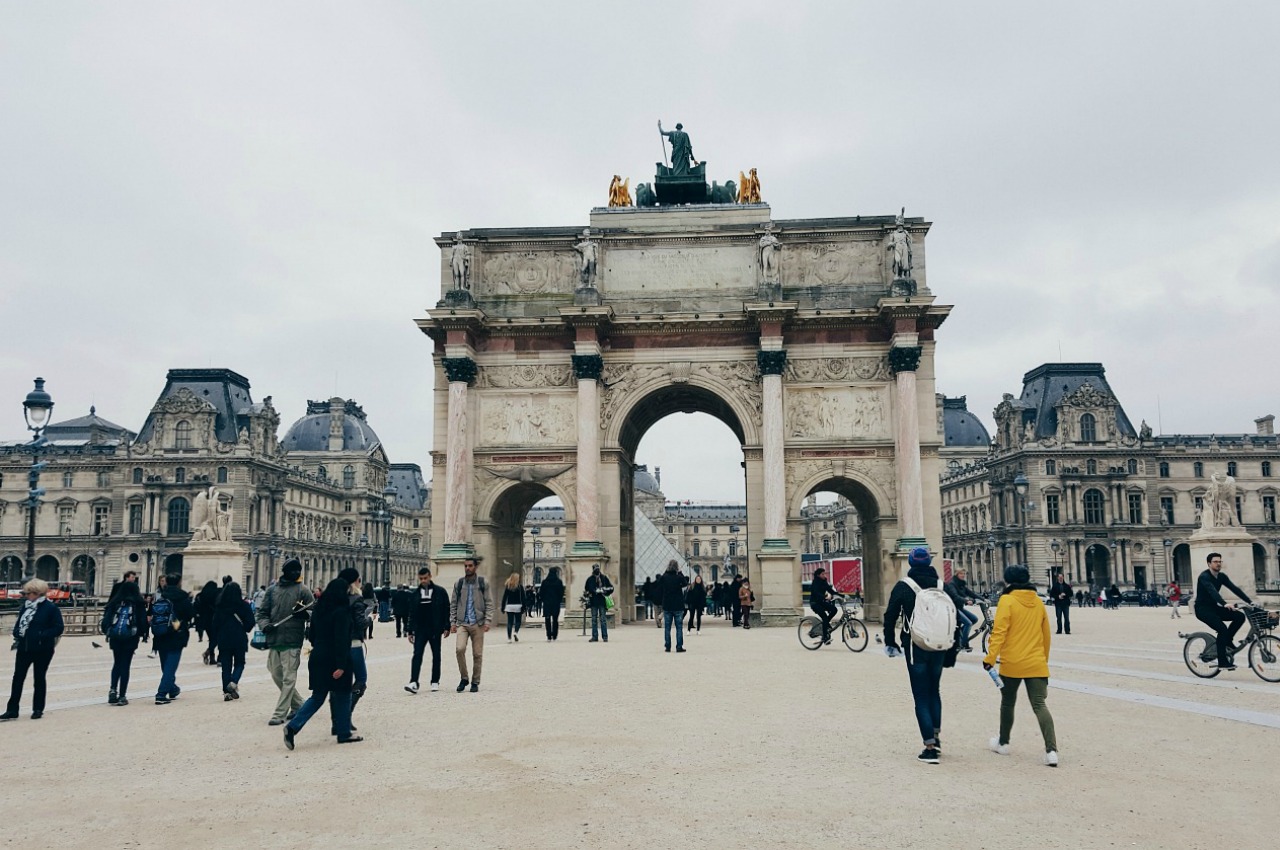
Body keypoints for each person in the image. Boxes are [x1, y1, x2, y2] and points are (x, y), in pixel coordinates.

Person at [882, 548, 955, 764]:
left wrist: (890, 642)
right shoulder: (943, 586)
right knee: (935, 690)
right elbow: (955, 616)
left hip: (916, 646)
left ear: (911, 563)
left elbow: (889, 616)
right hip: (940, 645)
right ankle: (936, 736)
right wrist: (952, 649)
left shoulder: (905, 586)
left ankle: (929, 747)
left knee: (921, 695)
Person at [984, 565, 1059, 767]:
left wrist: (990, 658)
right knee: (1040, 705)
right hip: (1036, 661)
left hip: (1012, 662)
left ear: (1008, 582)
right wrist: (1044, 659)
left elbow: (999, 632)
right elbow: (1046, 634)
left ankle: (1004, 743)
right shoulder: (1037, 601)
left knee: (1008, 703)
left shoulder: (1006, 600)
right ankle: (1051, 751)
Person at [283, 576, 361, 749]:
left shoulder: (319, 610)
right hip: (335, 658)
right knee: (342, 695)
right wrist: (341, 665)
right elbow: (342, 639)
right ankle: (343, 733)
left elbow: (311, 636)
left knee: (317, 697)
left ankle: (292, 726)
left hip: (318, 656)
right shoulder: (342, 611)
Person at [256, 558, 314, 726]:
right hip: (274, 638)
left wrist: (304, 615)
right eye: (293, 570)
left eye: (298, 570)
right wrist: (265, 625)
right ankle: (299, 705)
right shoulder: (272, 591)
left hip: (293, 639)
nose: (297, 573)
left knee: (289, 678)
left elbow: (314, 611)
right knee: (276, 674)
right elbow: (262, 613)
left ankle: (279, 714)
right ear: (285, 572)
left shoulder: (303, 590)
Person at [2, 579, 65, 721]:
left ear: (38, 593)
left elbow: (58, 628)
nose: (26, 595)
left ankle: (37, 708)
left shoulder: (51, 608)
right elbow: (20, 623)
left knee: (39, 678)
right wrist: (17, 632)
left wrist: (41, 635)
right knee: (17, 678)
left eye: (29, 593)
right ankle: (12, 709)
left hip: (43, 648)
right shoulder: (26, 607)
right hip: (24, 647)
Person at [1194, 552, 1252, 671]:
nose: (1218, 564)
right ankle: (1222, 662)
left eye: (1220, 561)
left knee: (1239, 616)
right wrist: (1225, 604)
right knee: (1222, 629)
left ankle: (1227, 641)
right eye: (1215, 562)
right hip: (1203, 609)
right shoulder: (1204, 577)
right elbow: (1212, 591)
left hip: (1214, 608)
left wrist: (1249, 601)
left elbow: (1234, 589)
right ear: (1209, 563)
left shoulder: (1221, 576)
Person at [101, 578, 148, 706]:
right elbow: (143, 622)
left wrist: (108, 632)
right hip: (130, 637)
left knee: (116, 663)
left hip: (115, 636)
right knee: (125, 665)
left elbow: (105, 621)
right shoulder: (138, 604)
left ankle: (112, 690)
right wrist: (143, 634)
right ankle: (122, 695)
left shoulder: (114, 602)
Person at [405, 567, 450, 693]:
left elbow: (446, 609)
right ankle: (414, 681)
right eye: (421, 579)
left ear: (430, 577)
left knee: (436, 655)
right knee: (417, 655)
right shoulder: (415, 594)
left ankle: (435, 680)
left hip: (435, 628)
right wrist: (409, 631)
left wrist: (446, 626)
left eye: (425, 578)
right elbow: (412, 613)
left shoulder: (440, 592)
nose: (423, 581)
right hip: (420, 629)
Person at [152, 573, 195, 705]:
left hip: (161, 632)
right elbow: (190, 614)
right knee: (171, 665)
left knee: (165, 665)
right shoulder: (183, 597)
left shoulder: (161, 596)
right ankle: (161, 693)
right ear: (179, 582)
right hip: (177, 633)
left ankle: (173, 688)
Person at [450, 558, 491, 692]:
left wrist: (488, 621)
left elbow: (489, 603)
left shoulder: (482, 583)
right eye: (465, 566)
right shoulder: (459, 583)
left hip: (478, 622)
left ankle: (475, 681)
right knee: (459, 649)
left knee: (477, 654)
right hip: (462, 622)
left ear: (475, 567)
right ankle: (464, 678)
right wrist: (453, 622)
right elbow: (454, 604)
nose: (467, 568)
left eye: (470, 566)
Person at [212, 581, 254, 701]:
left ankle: (226, 692)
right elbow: (250, 623)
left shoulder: (220, 607)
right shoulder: (244, 605)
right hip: (239, 638)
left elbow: (214, 624)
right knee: (240, 663)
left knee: (226, 666)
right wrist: (244, 627)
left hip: (224, 639)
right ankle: (234, 682)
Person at [344, 570, 372, 722]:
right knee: (361, 680)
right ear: (356, 582)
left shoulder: (335, 598)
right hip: (354, 644)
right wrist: (369, 620)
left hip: (338, 645)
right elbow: (361, 623)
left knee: (342, 682)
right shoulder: (357, 599)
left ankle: (338, 719)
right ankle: (346, 714)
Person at [945, 567, 980, 651]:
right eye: (961, 574)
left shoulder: (961, 585)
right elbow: (955, 596)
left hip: (959, 608)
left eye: (964, 574)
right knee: (968, 623)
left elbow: (970, 593)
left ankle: (959, 635)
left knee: (974, 619)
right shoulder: (952, 584)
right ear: (956, 574)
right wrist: (966, 601)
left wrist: (982, 599)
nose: (963, 575)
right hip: (953, 609)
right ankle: (963, 645)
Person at [658, 561, 688, 653]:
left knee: (667, 627)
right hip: (678, 605)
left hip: (667, 605)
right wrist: (681, 572)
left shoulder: (665, 577)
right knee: (679, 627)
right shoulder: (679, 577)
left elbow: (660, 582)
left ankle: (667, 646)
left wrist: (665, 572)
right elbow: (685, 583)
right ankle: (679, 646)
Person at [809, 567, 839, 645]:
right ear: (818, 575)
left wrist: (840, 595)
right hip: (815, 603)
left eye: (824, 573)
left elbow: (830, 590)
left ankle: (825, 624)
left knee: (834, 610)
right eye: (823, 574)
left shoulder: (824, 581)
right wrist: (825, 597)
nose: (824, 575)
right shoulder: (815, 582)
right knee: (824, 617)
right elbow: (816, 593)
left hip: (822, 602)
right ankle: (825, 638)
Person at [584, 564, 614, 643]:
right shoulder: (590, 579)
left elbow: (611, 588)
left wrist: (604, 590)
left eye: (598, 569)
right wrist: (594, 591)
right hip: (594, 601)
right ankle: (595, 636)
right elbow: (587, 589)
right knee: (594, 619)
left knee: (602, 619)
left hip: (601, 601)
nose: (597, 570)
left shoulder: (603, 578)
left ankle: (604, 636)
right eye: (596, 569)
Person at [195, 580, 219, 664]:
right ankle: (208, 653)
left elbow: (196, 607)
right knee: (215, 639)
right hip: (213, 620)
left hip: (204, 621)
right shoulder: (214, 596)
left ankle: (212, 658)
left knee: (211, 639)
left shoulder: (200, 596)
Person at [540, 567, 565, 641]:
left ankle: (548, 635)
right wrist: (559, 600)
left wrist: (544, 600)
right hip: (555, 603)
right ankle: (554, 635)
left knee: (547, 619)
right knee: (555, 620)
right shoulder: (559, 582)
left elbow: (541, 593)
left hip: (547, 603)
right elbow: (561, 593)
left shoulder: (545, 582)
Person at [502, 572, 525, 643]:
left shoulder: (508, 587)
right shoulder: (520, 587)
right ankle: (515, 632)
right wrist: (524, 606)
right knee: (518, 621)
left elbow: (504, 598)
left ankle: (509, 638)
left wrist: (503, 607)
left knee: (510, 622)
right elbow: (523, 598)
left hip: (509, 606)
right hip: (518, 605)